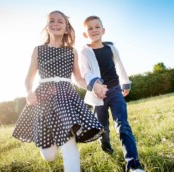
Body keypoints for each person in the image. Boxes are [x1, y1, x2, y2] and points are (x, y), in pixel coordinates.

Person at [12, 11, 106, 172]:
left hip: (65, 98)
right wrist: (29, 91)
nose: (56, 23)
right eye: (52, 21)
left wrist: (93, 86)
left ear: (66, 29)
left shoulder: (71, 52)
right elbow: (29, 77)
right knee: (49, 155)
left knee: (69, 144)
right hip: (42, 99)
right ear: (47, 27)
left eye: (60, 21)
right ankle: (52, 141)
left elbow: (78, 78)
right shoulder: (38, 50)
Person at [79, 16, 145, 172]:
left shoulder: (111, 48)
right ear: (85, 34)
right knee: (103, 128)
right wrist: (95, 85)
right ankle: (105, 145)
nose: (94, 30)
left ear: (103, 30)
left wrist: (125, 83)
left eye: (97, 27)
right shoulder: (84, 51)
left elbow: (120, 65)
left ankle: (134, 166)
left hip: (115, 90)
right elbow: (85, 71)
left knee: (123, 125)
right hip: (98, 95)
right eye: (90, 28)